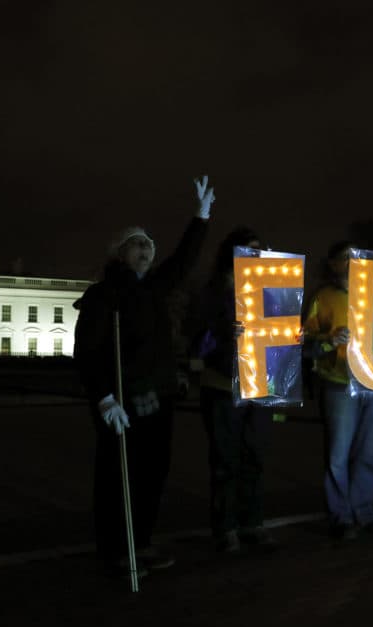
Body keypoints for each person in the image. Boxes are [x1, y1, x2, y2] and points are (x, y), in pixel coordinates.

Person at [74, 175, 215, 577]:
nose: (147, 250)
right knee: (120, 478)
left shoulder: (153, 290)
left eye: (149, 244)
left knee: (152, 475)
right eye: (138, 243)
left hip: (158, 397)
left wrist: (200, 218)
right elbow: (88, 353)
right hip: (121, 400)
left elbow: (182, 262)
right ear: (120, 253)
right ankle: (116, 548)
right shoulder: (104, 295)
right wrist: (103, 397)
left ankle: (141, 542)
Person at [193, 228, 277, 554]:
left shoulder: (273, 289)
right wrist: (221, 332)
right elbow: (197, 342)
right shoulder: (213, 291)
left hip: (260, 385)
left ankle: (252, 523)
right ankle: (225, 527)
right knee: (226, 461)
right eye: (247, 249)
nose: (254, 254)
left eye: (260, 249)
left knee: (254, 458)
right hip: (222, 385)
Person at [303, 241, 373, 541]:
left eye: (357, 256)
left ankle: (364, 512)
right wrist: (329, 339)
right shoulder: (323, 298)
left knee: (369, 452)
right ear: (332, 264)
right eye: (345, 257)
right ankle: (340, 516)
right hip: (339, 384)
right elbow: (304, 342)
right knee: (338, 454)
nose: (353, 262)